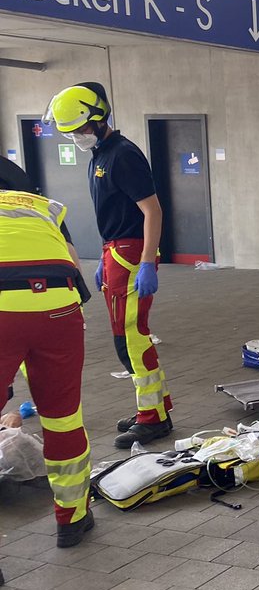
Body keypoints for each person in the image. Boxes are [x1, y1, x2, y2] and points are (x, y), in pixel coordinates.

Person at [43, 83, 173, 448]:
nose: (77, 138)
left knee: (130, 339)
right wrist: (105, 254)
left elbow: (152, 210)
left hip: (130, 255)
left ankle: (153, 419)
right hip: (115, 252)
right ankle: (156, 407)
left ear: (99, 122)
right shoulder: (101, 154)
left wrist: (146, 261)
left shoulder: (123, 155)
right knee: (128, 336)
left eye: (81, 130)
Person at [0, 190, 94, 547]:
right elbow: (73, 262)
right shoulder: (41, 205)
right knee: (63, 418)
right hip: (59, 304)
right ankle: (72, 520)